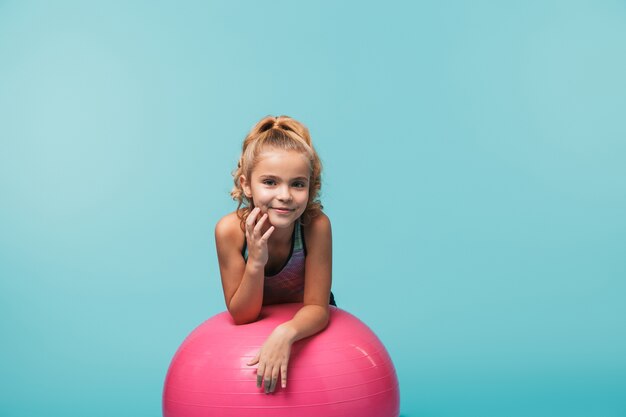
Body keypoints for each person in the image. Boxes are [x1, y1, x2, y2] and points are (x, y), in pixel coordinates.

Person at [215, 115, 336, 394]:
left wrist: (286, 333)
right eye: (270, 182)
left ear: (311, 186)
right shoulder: (230, 231)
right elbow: (242, 315)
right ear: (246, 185)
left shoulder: (315, 227)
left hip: (306, 326)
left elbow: (318, 308)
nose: (284, 195)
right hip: (254, 324)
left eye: (297, 184)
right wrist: (256, 260)